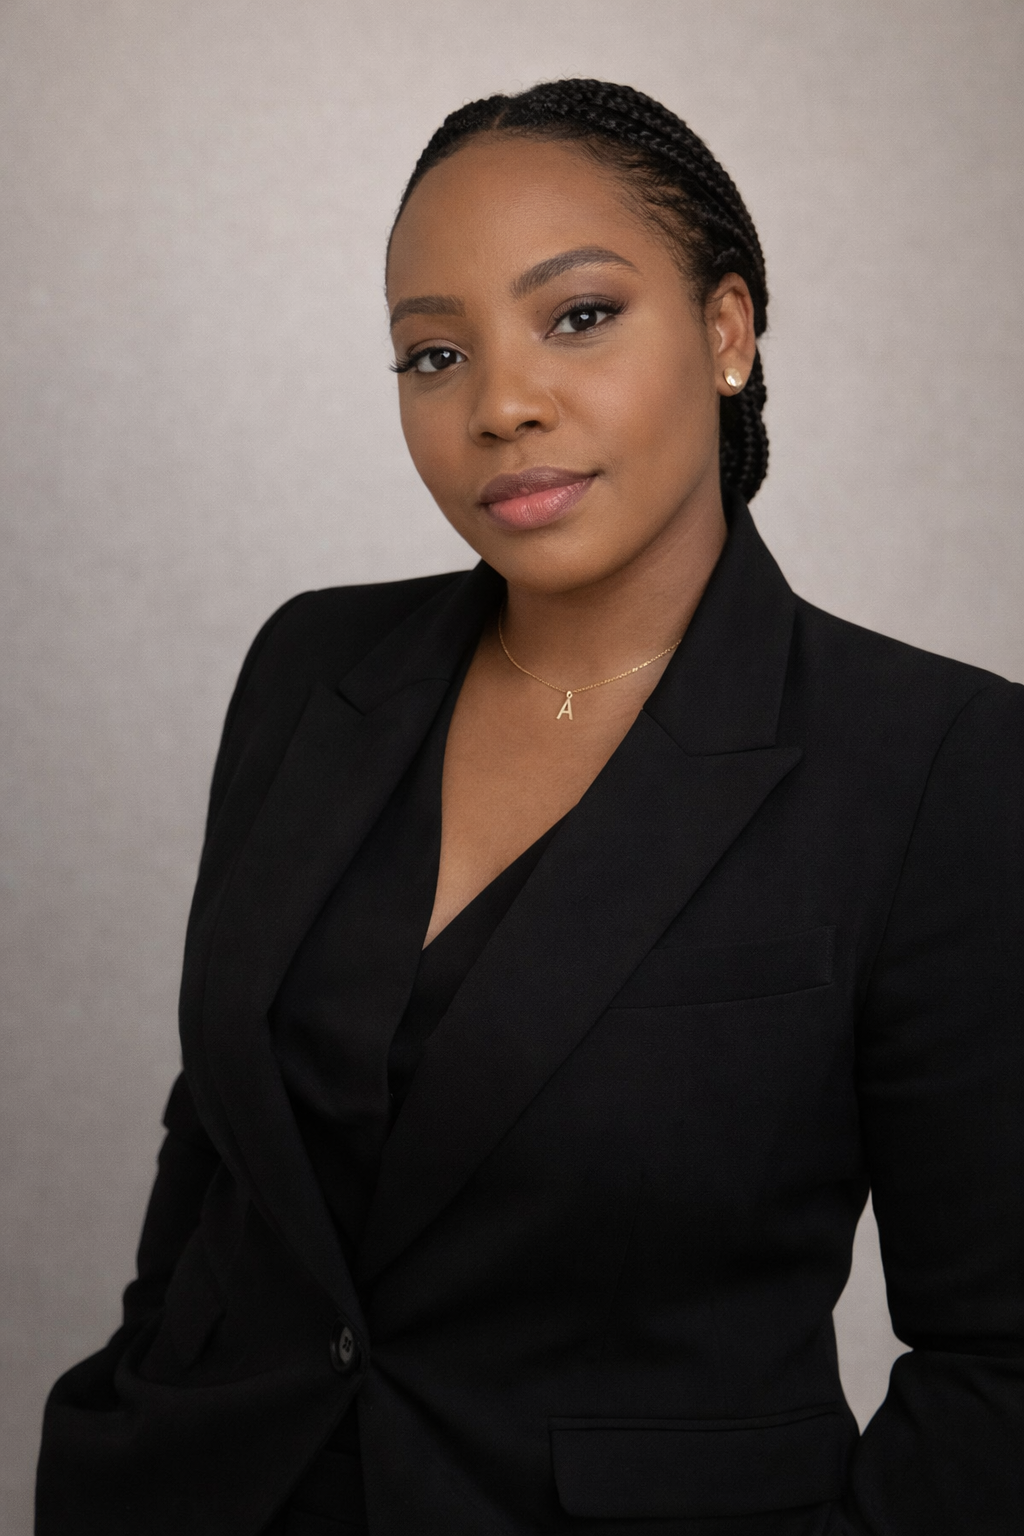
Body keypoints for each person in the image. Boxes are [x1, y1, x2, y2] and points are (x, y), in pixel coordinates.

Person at [36, 79, 1023, 1536]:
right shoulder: (311, 668)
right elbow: (224, 1142)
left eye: (578, 317)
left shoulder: (939, 762)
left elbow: (1001, 1363)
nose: (500, 402)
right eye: (434, 352)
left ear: (729, 333)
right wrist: (134, 1418)